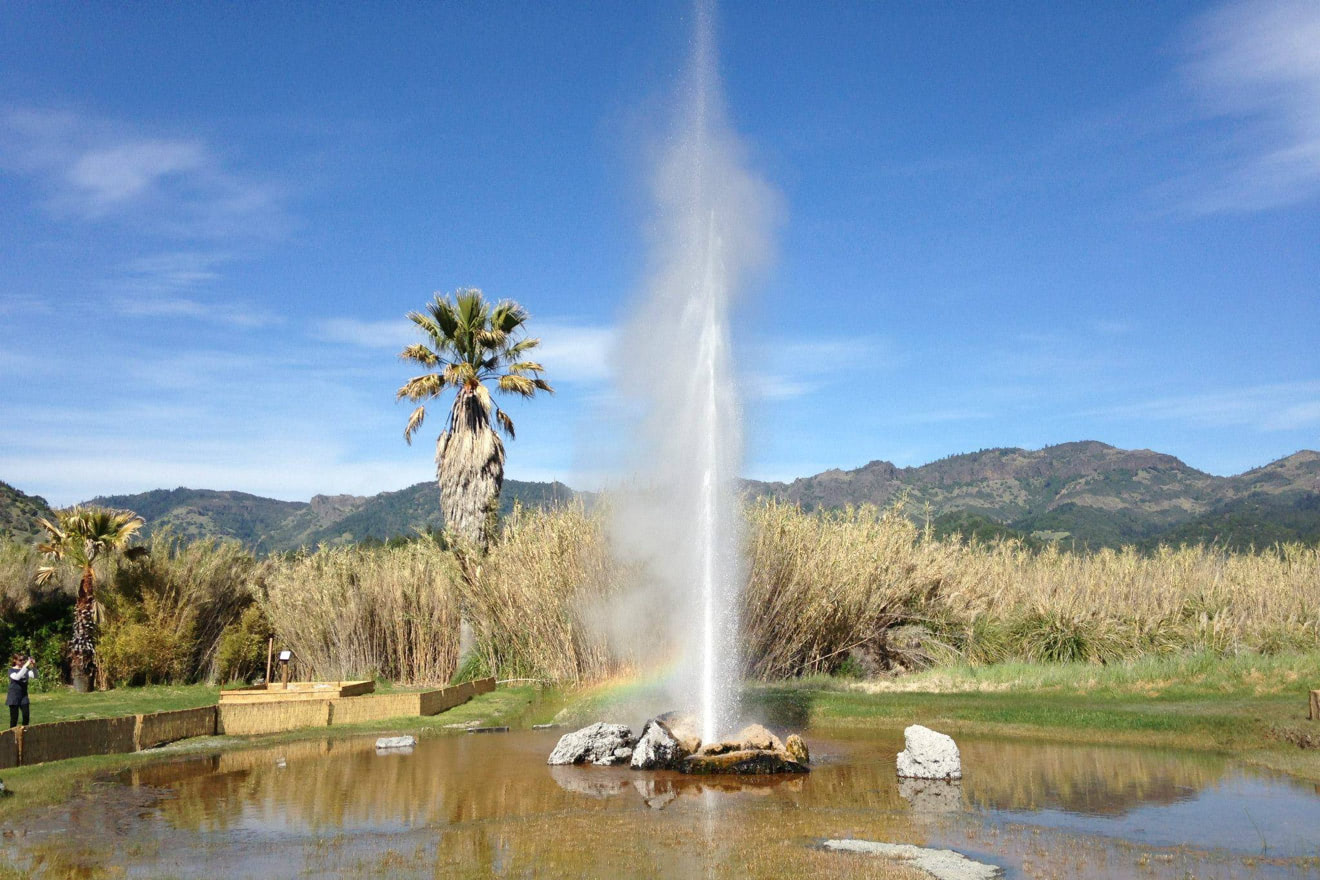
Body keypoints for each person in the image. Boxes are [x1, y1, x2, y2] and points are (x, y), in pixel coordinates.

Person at [7, 653, 35, 728]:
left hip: (23, 696)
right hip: (14, 697)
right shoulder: (11, 670)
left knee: (26, 716)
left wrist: (33, 666)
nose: (22, 662)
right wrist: (26, 665)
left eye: (23, 660)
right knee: (14, 719)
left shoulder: (26, 669)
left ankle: (24, 734)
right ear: (15, 660)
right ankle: (12, 736)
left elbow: (34, 676)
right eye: (20, 660)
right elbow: (16, 677)